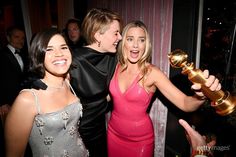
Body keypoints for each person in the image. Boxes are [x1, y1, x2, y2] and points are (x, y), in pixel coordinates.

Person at [107, 20, 221, 157]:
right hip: (113, 134)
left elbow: (185, 103)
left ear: (146, 45)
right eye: (130, 39)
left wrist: (201, 96)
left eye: (141, 40)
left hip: (139, 141)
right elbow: (109, 96)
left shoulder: (152, 73)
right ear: (123, 41)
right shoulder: (114, 66)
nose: (136, 45)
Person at [4, 28, 89, 157]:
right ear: (38, 55)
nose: (59, 54)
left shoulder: (67, 81)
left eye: (63, 47)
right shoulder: (27, 99)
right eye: (49, 49)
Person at [69, 8, 122, 157]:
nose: (120, 37)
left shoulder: (113, 57)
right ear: (98, 35)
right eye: (116, 33)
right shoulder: (73, 60)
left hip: (99, 128)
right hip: (76, 132)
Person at [0, 26, 28, 156]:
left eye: (22, 38)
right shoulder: (1, 55)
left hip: (22, 103)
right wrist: (2, 103)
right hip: (8, 103)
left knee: (23, 134)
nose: (21, 40)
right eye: (17, 37)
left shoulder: (23, 54)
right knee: (11, 138)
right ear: (8, 38)